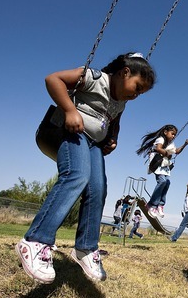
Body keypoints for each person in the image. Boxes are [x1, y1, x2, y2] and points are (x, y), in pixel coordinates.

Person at [15, 52, 156, 284]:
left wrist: (112, 139)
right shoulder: (94, 77)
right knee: (77, 176)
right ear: (125, 72)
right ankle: (36, 241)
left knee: (98, 189)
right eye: (138, 88)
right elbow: (53, 79)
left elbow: (114, 122)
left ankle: (85, 249)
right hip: (70, 132)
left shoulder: (121, 102)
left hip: (93, 143)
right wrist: (71, 110)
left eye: (141, 93)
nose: (137, 95)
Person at [136, 125, 188, 219]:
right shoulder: (161, 139)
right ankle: (151, 204)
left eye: (175, 135)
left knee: (167, 182)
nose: (173, 136)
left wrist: (185, 145)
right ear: (165, 132)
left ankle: (160, 205)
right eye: (172, 133)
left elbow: (176, 151)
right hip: (157, 163)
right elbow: (158, 148)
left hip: (164, 165)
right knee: (162, 181)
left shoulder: (171, 144)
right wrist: (167, 153)